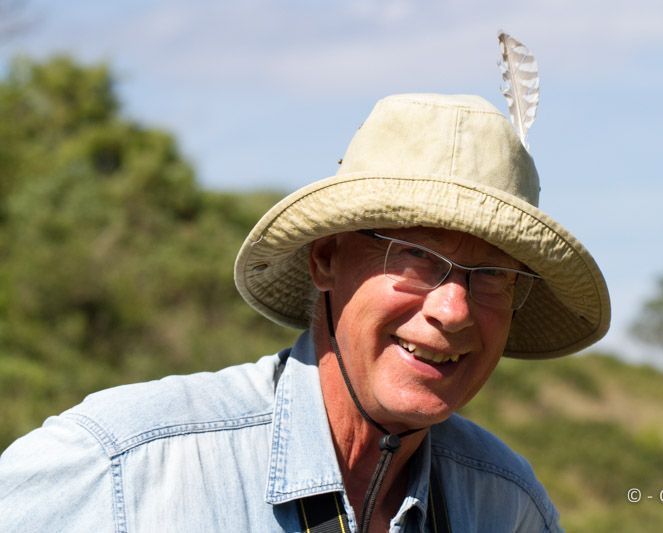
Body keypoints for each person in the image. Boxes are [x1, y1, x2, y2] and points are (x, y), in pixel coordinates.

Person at [0, 93, 610, 532]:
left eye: (494, 276)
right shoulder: (124, 468)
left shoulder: (506, 506)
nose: (454, 311)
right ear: (326, 259)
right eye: (417, 258)